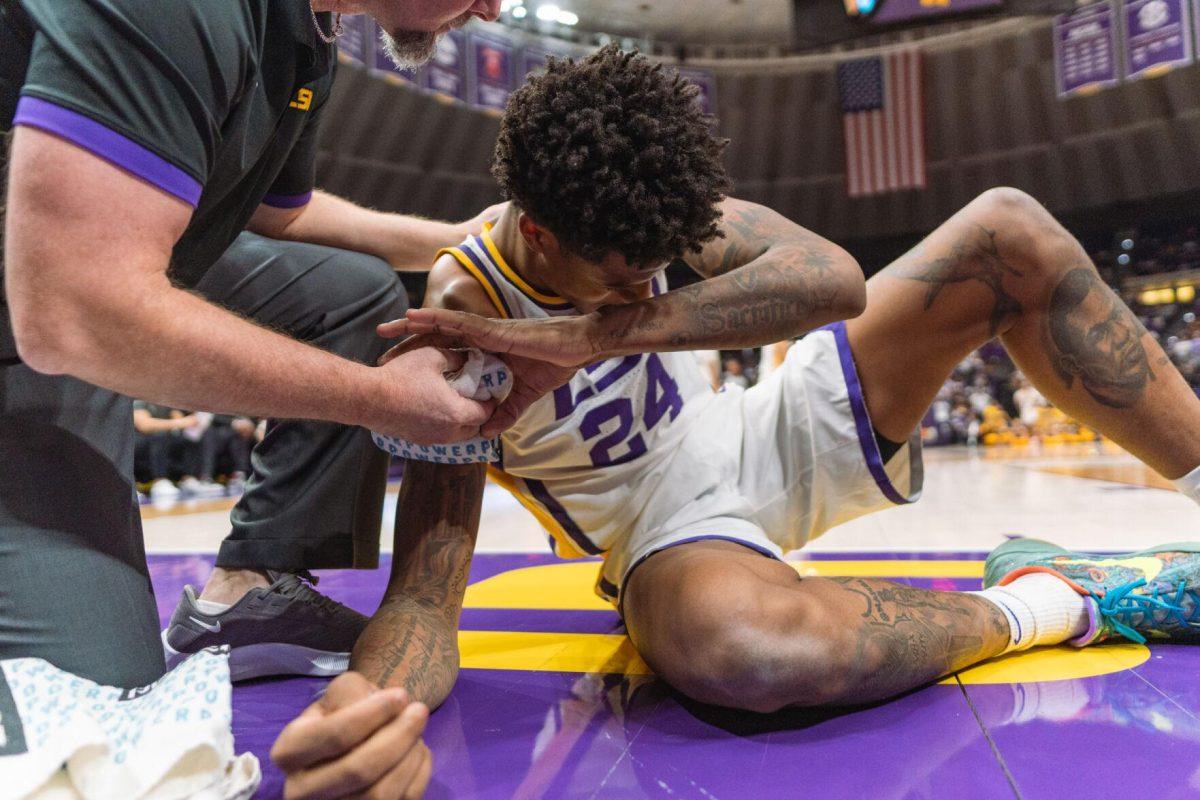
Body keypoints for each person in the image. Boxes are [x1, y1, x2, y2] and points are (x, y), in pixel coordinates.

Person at [359, 47, 1200, 716]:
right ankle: (1057, 597)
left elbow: (835, 280)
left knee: (1009, 230)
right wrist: (374, 706)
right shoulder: (459, 325)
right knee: (747, 656)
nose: (641, 288)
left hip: (756, 430)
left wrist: (593, 331)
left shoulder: (629, 198)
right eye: (622, 280)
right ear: (537, 233)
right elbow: (425, 600)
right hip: (665, 529)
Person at [2, 1, 502, 797]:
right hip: (39, 310)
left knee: (358, 298)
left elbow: (282, 211)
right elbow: (70, 308)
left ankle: (252, 591)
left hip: (67, 269)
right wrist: (376, 399)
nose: (493, 8)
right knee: (95, 742)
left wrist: (458, 238)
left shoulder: (306, 30)